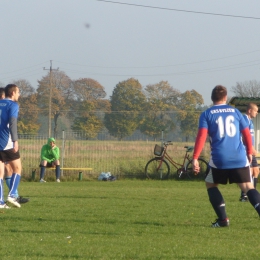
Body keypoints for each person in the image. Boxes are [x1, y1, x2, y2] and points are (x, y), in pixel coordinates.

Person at [192, 85, 260, 227]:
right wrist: (249, 152)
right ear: (226, 97)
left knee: (210, 184)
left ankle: (223, 220)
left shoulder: (207, 114)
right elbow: (246, 133)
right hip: (239, 157)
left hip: (219, 159)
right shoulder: (235, 112)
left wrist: (195, 158)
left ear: (212, 98)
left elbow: (201, 136)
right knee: (248, 187)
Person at [0, 87, 29, 204]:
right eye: (18, 92)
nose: (19, 94)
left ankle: (1, 202)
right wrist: (15, 141)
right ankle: (12, 195)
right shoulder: (13, 105)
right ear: (12, 93)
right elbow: (12, 123)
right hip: (7, 142)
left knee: (0, 173)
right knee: (17, 168)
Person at [239, 103, 259, 202]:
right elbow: (243, 136)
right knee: (249, 172)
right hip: (245, 150)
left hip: (250, 150)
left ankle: (252, 193)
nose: (257, 112)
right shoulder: (244, 120)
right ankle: (245, 195)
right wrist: (250, 148)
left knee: (256, 171)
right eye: (256, 110)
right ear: (250, 110)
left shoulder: (250, 121)